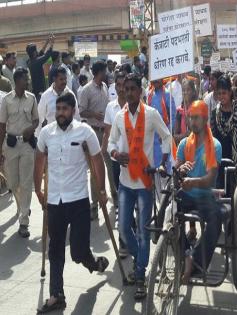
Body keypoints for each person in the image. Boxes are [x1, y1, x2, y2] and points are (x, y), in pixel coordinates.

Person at [34, 92, 109, 314]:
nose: (60, 114)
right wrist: (38, 189)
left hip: (78, 201)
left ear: (73, 111)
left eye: (65, 109)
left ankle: (93, 263)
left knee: (77, 252)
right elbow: (39, 160)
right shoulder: (47, 133)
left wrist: (102, 190)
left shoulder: (85, 132)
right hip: (55, 200)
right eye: (58, 109)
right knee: (55, 249)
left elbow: (97, 161)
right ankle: (57, 295)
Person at [108, 73, 171, 300]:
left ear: (140, 91)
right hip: (125, 182)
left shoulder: (152, 114)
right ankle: (140, 259)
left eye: (133, 89)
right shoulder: (118, 117)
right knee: (124, 229)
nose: (130, 93)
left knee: (144, 232)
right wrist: (115, 153)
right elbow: (111, 143)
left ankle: (141, 273)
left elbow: (166, 137)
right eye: (126, 89)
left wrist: (162, 162)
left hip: (144, 181)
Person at [175, 100, 222, 284]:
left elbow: (210, 179)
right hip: (186, 194)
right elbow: (176, 172)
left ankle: (195, 261)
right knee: (171, 211)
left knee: (216, 219)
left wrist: (192, 182)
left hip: (206, 195)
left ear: (205, 119)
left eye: (196, 118)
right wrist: (180, 172)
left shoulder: (215, 146)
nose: (192, 122)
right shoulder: (184, 144)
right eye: (190, 118)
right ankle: (186, 253)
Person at [0, 67, 39, 238]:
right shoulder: (6, 100)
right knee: (13, 183)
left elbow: (37, 119)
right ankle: (22, 205)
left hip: (26, 146)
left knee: (26, 182)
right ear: (17, 81)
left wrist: (32, 128)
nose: (28, 81)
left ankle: (24, 221)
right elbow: (2, 126)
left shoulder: (31, 99)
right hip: (10, 145)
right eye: (25, 78)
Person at [79, 60, 117, 219]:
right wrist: (94, 115)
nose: (107, 73)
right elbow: (81, 112)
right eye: (105, 71)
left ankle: (115, 198)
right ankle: (94, 204)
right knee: (94, 170)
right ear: (99, 72)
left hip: (106, 132)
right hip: (93, 133)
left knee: (110, 167)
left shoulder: (105, 87)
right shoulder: (86, 90)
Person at [102, 72, 128, 258]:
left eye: (123, 85)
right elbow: (107, 133)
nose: (120, 88)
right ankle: (123, 240)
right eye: (118, 85)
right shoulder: (110, 108)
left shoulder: (135, 107)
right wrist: (104, 152)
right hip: (115, 159)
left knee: (131, 200)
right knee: (121, 199)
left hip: (132, 160)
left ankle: (130, 234)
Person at [210, 75, 237, 184]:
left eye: (224, 93)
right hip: (220, 163)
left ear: (230, 92)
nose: (221, 96)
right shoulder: (214, 114)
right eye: (219, 93)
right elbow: (212, 142)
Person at [37, 67, 80, 134]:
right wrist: (39, 137)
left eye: (65, 79)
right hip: (51, 137)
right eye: (61, 79)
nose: (64, 82)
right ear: (54, 79)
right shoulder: (46, 96)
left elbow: (76, 116)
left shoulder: (70, 95)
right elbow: (40, 117)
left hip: (68, 136)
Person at [146, 79, 176, 169]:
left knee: (164, 166)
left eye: (157, 78)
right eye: (153, 78)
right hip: (152, 137)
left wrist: (166, 133)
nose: (155, 80)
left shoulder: (167, 94)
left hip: (163, 137)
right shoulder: (149, 94)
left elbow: (173, 116)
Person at [26, 34, 55, 100]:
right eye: (36, 51)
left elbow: (40, 53)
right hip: (39, 91)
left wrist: (47, 42)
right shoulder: (36, 62)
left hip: (35, 90)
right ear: (34, 53)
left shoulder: (30, 61)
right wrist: (52, 44)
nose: (37, 52)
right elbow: (47, 55)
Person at [174, 78, 198, 144]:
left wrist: (189, 123)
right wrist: (185, 136)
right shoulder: (179, 111)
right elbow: (175, 136)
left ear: (193, 91)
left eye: (188, 90)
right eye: (183, 90)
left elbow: (199, 132)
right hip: (184, 147)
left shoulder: (198, 108)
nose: (185, 92)